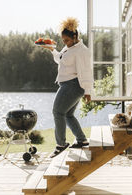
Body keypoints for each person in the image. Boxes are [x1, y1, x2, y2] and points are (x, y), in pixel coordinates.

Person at [42, 17, 93, 158]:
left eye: (67, 40)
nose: (65, 43)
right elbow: (60, 60)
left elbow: (86, 72)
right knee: (68, 115)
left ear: (75, 36)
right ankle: (82, 140)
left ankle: (61, 144)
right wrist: (52, 49)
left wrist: (88, 91)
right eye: (63, 41)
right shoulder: (69, 48)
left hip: (73, 85)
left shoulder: (82, 51)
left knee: (57, 112)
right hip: (67, 84)